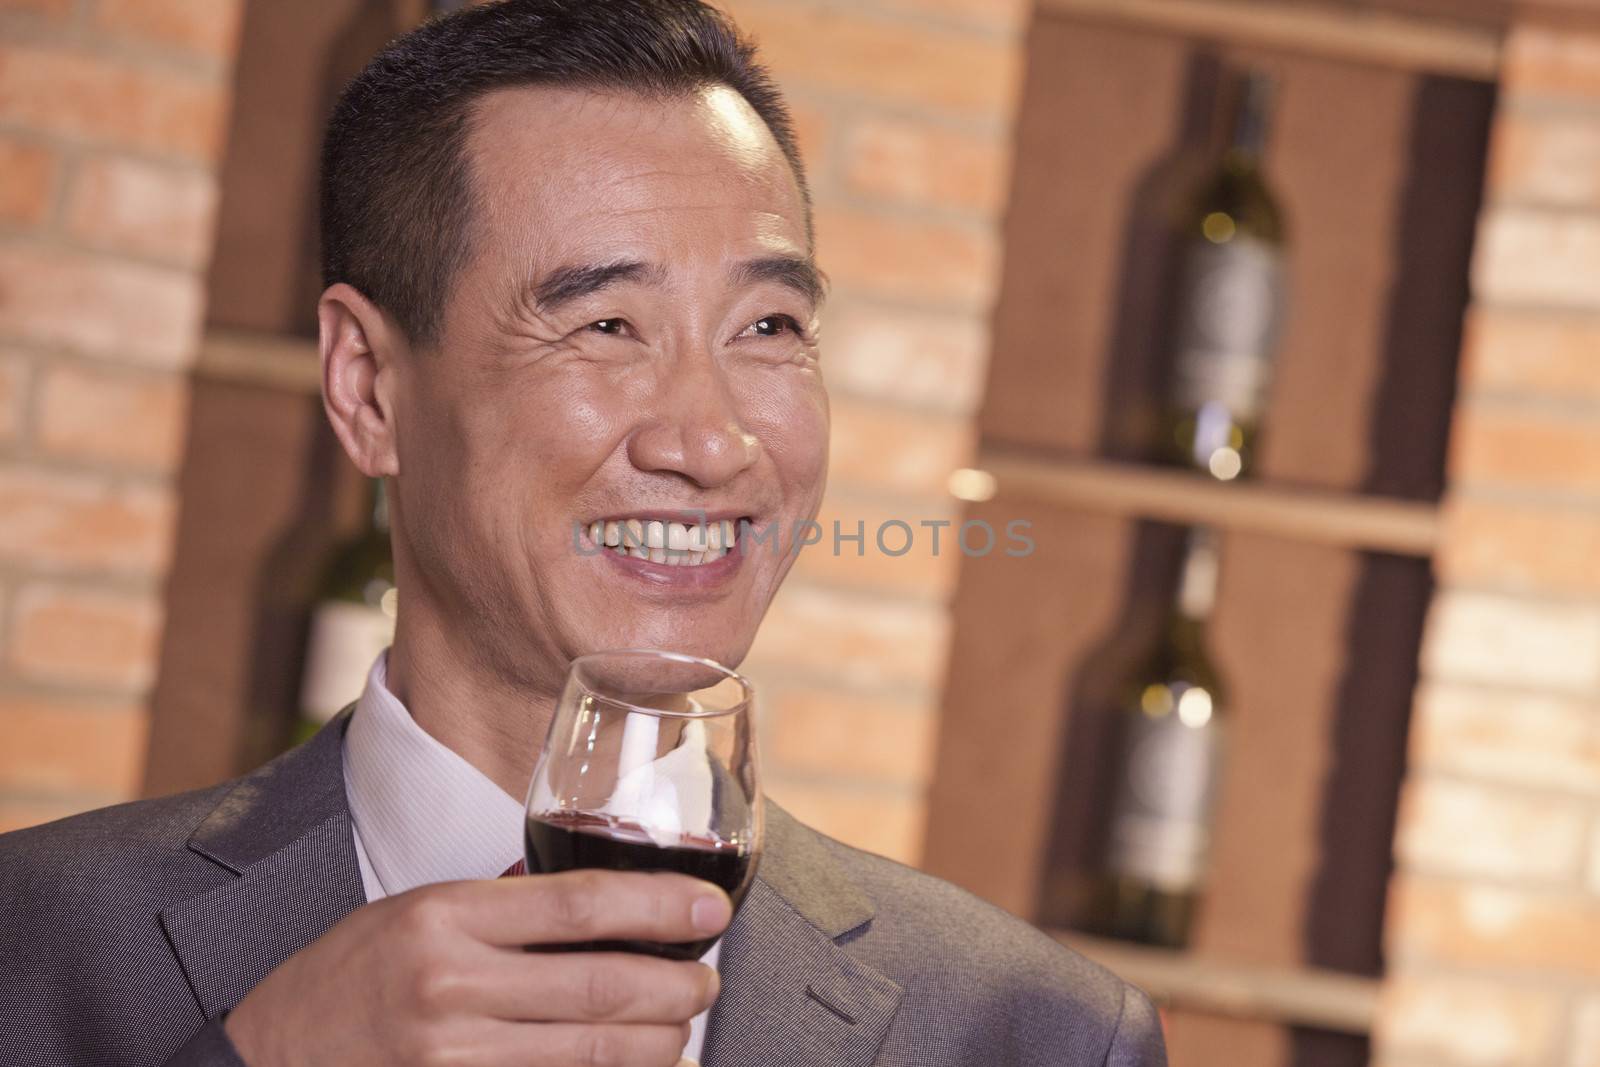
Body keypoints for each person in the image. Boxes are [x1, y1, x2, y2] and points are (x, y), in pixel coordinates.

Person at [0, 2, 1168, 1065]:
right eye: (607, 323)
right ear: (366, 386)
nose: (711, 444)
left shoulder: (1036, 1034)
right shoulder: (32, 943)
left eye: (768, 325)